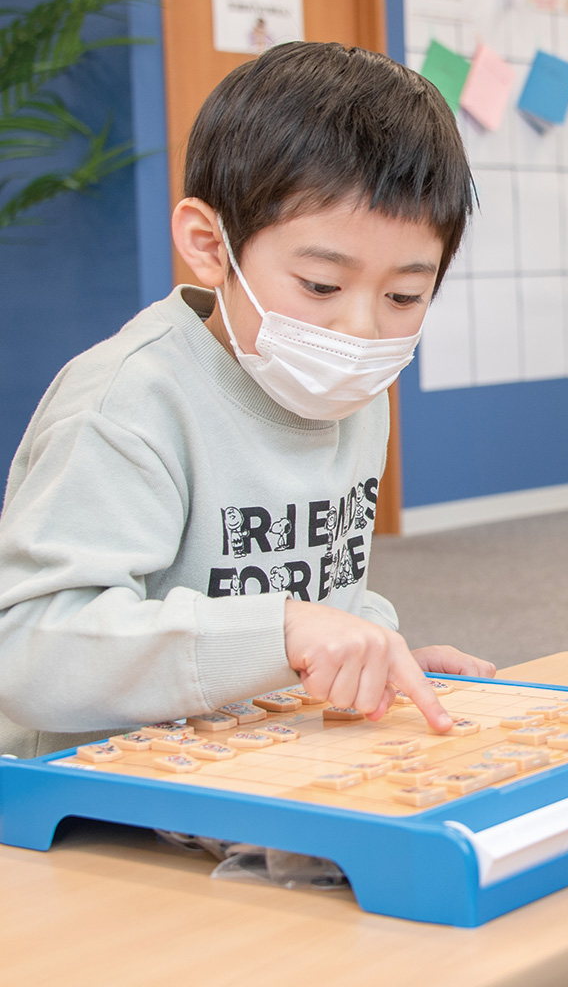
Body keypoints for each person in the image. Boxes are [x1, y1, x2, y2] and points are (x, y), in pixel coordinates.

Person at [0, 41, 494, 760]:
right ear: (210, 244)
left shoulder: (354, 389)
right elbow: (29, 653)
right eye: (321, 286)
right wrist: (282, 633)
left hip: (252, 761)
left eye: (404, 295)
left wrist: (374, 654)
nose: (360, 331)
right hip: (94, 786)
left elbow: (321, 591)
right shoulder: (128, 401)